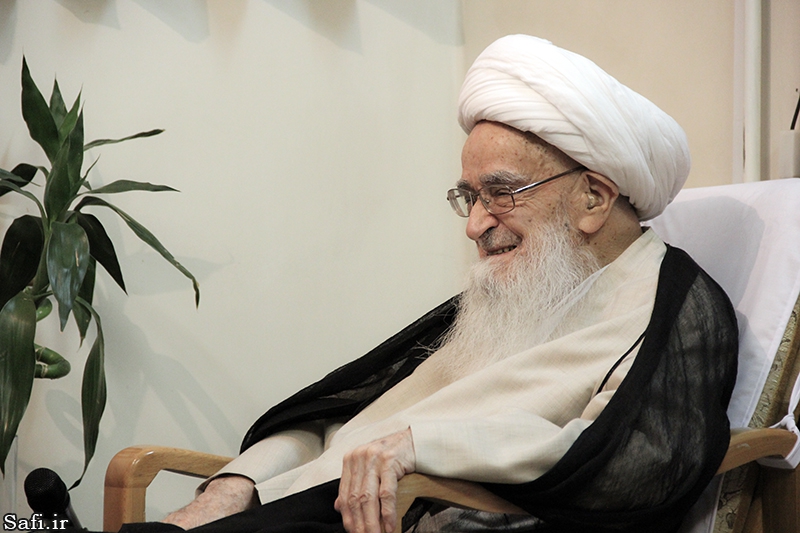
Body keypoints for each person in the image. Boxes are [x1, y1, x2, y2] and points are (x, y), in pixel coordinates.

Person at [132, 35, 737, 533]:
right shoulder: (512, 293)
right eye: (470, 197)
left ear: (594, 198)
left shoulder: (674, 307)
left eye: (501, 193)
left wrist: (421, 447)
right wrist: (236, 483)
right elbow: (346, 416)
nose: (475, 225)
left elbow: (634, 462)